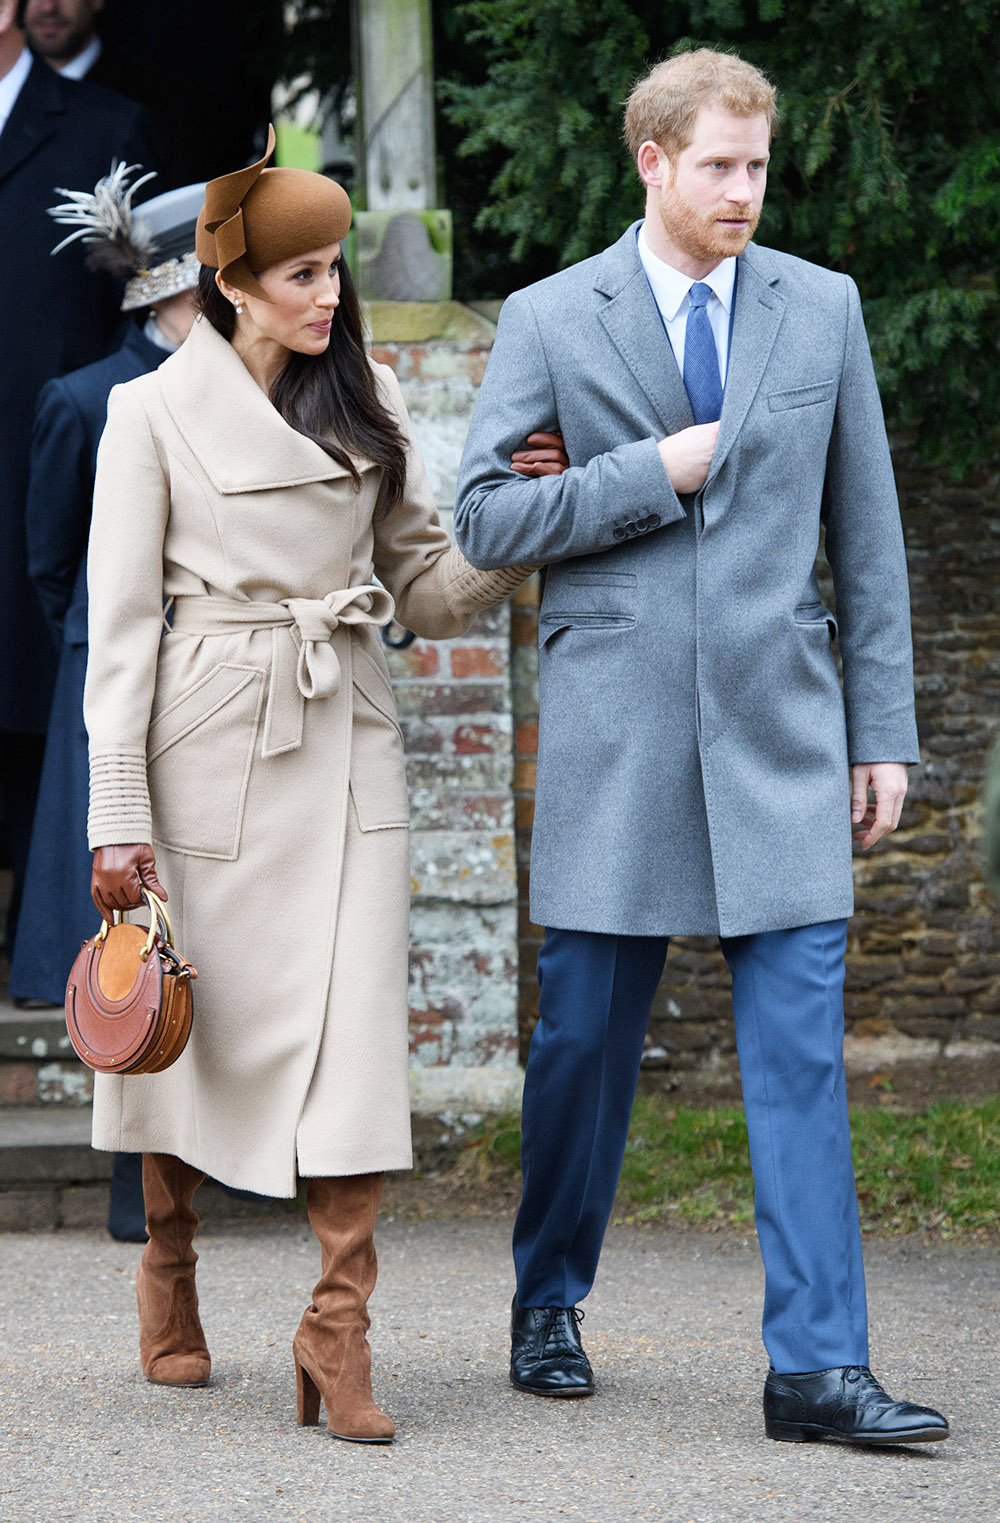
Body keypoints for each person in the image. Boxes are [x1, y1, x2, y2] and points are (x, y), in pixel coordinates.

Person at [454, 49, 950, 1447]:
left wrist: (884, 730)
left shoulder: (824, 307)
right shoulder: (553, 316)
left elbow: (871, 534)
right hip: (617, 750)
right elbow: (485, 519)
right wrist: (646, 474)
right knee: (584, 1050)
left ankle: (818, 1366)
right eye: (720, 165)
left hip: (786, 740)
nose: (746, 190)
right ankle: (547, 1294)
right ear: (654, 161)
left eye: (759, 165)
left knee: (799, 1057)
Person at [82, 128, 544, 1444]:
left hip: (346, 735)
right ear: (232, 282)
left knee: (354, 1046)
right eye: (300, 273)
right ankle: (168, 1262)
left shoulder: (369, 398)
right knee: (187, 1029)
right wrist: (120, 821)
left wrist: (515, 530)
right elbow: (120, 642)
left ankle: (337, 1326)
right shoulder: (149, 414)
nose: (327, 293)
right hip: (208, 749)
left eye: (335, 268)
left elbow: (421, 586)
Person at [9, 171, 205, 1241]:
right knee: (122, 932)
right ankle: (141, 1194)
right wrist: (103, 658)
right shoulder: (84, 399)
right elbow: (50, 565)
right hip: (115, 689)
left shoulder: (246, 399)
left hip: (219, 686)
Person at [0, 0, 152, 961]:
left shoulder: (106, 128)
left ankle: (46, 944)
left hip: (38, 467)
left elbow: (126, 326)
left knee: (31, 704)